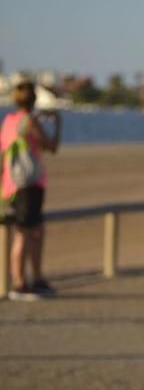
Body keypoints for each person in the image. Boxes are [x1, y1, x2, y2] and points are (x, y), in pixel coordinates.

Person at [0, 80, 61, 300]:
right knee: (24, 233)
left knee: (34, 230)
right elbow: (51, 147)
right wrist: (57, 124)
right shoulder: (29, 121)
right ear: (33, 99)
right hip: (28, 184)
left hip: (11, 184)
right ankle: (20, 283)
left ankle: (35, 279)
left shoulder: (8, 120)